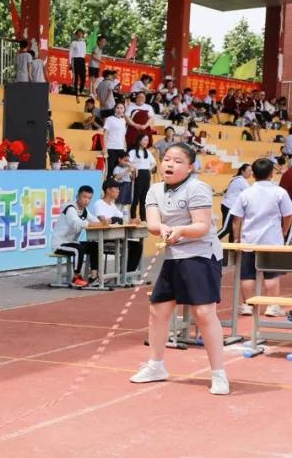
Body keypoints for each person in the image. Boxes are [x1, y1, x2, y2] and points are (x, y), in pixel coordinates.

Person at [131, 143, 228, 395]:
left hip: (201, 255)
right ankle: (156, 365)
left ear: (190, 167)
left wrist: (180, 231)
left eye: (177, 161)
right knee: (158, 310)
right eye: (166, 160)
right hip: (175, 257)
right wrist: (162, 229)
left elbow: (202, 226)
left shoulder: (198, 188)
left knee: (205, 313)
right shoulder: (154, 190)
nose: (169, 164)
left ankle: (218, 374)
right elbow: (152, 222)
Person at [229, 158, 292, 318]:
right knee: (272, 274)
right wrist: (283, 231)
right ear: (271, 173)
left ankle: (248, 305)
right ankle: (272, 306)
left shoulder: (246, 193)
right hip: (271, 241)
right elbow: (288, 215)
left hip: (249, 239)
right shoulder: (279, 192)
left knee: (247, 274)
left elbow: (236, 218)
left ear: (254, 174)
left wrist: (236, 238)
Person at [90, 178, 143, 278]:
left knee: (137, 246)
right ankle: (122, 276)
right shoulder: (98, 204)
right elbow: (103, 221)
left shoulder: (113, 205)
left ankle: (126, 274)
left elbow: (123, 220)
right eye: (116, 188)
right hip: (102, 239)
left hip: (115, 237)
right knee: (129, 245)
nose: (119, 191)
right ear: (108, 190)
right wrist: (114, 219)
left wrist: (133, 221)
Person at [51, 186, 98, 287]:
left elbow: (95, 220)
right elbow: (75, 222)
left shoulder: (85, 211)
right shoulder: (70, 208)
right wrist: (90, 224)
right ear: (77, 197)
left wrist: (104, 222)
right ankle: (76, 278)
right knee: (78, 249)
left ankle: (94, 277)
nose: (87, 200)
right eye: (84, 197)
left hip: (72, 243)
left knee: (94, 246)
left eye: (89, 198)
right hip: (60, 244)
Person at [218, 163, 251, 243]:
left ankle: (232, 250)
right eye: (249, 170)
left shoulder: (238, 179)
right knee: (226, 229)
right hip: (229, 206)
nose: (251, 173)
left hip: (231, 207)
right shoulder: (241, 181)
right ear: (243, 171)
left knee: (233, 230)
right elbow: (250, 194)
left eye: (252, 171)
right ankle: (209, 243)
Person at [128, 134, 156, 222]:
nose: (146, 142)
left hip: (146, 175)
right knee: (135, 198)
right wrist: (133, 169)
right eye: (145, 140)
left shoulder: (147, 152)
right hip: (137, 175)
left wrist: (149, 169)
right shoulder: (132, 152)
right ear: (139, 140)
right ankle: (133, 217)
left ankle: (143, 219)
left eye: (147, 140)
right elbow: (128, 162)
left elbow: (154, 163)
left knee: (144, 199)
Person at [101, 102, 128, 178]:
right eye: (117, 108)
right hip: (111, 148)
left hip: (121, 148)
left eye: (121, 108)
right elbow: (105, 134)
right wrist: (104, 147)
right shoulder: (109, 119)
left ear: (124, 110)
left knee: (119, 170)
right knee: (110, 170)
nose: (119, 110)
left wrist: (125, 147)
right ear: (115, 109)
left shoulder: (123, 121)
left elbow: (123, 135)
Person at [68, 30, 87, 98]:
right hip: (75, 59)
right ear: (76, 35)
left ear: (82, 35)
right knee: (75, 76)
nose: (79, 35)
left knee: (83, 77)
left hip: (82, 60)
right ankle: (75, 91)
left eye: (81, 34)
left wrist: (83, 60)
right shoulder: (73, 43)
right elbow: (70, 53)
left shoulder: (84, 43)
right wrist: (70, 62)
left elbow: (84, 53)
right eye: (78, 34)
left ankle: (81, 90)